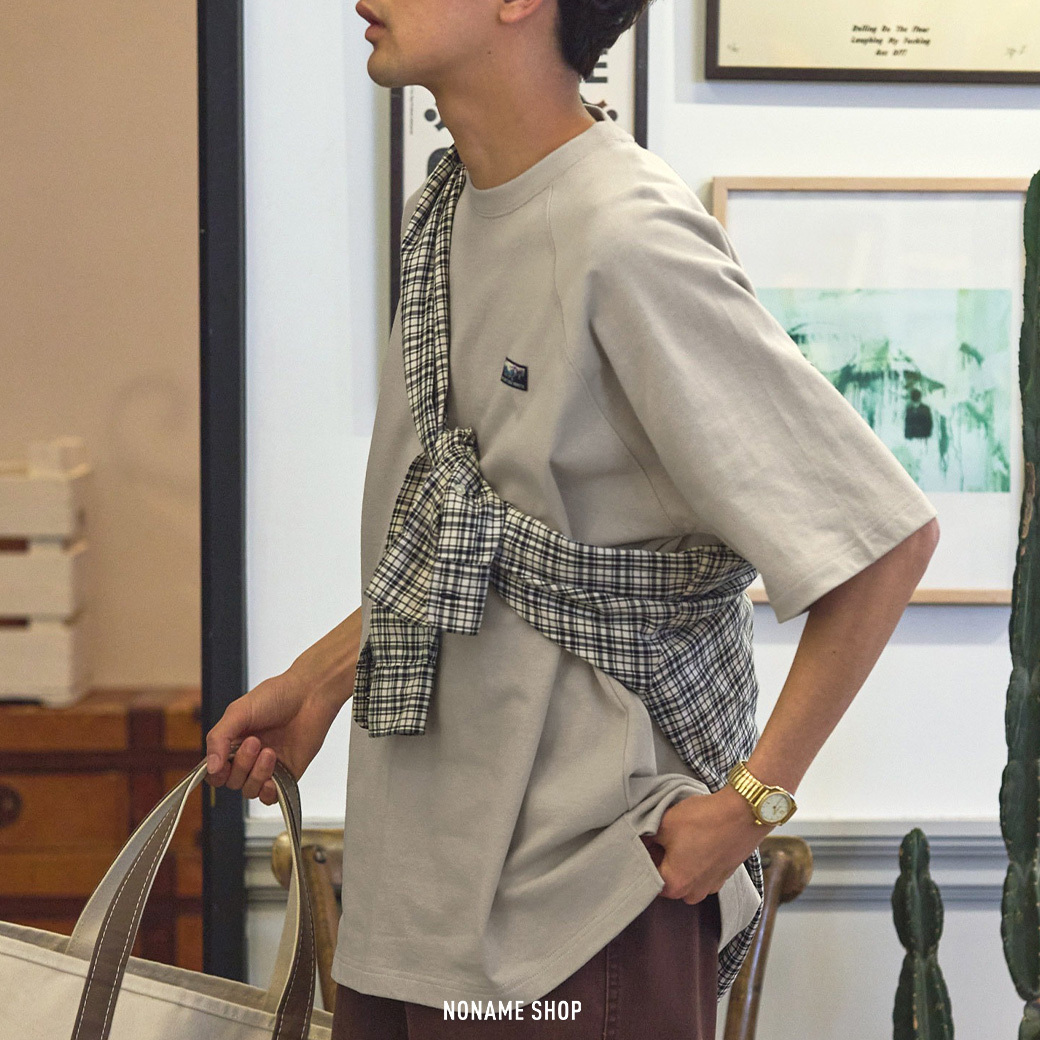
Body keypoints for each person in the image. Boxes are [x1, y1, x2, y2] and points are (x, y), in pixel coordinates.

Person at [204, 0, 941, 1035]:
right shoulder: (445, 213)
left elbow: (883, 541)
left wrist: (751, 806)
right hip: (407, 907)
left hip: (576, 919)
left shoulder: (625, 233)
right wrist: (322, 679)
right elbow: (484, 542)